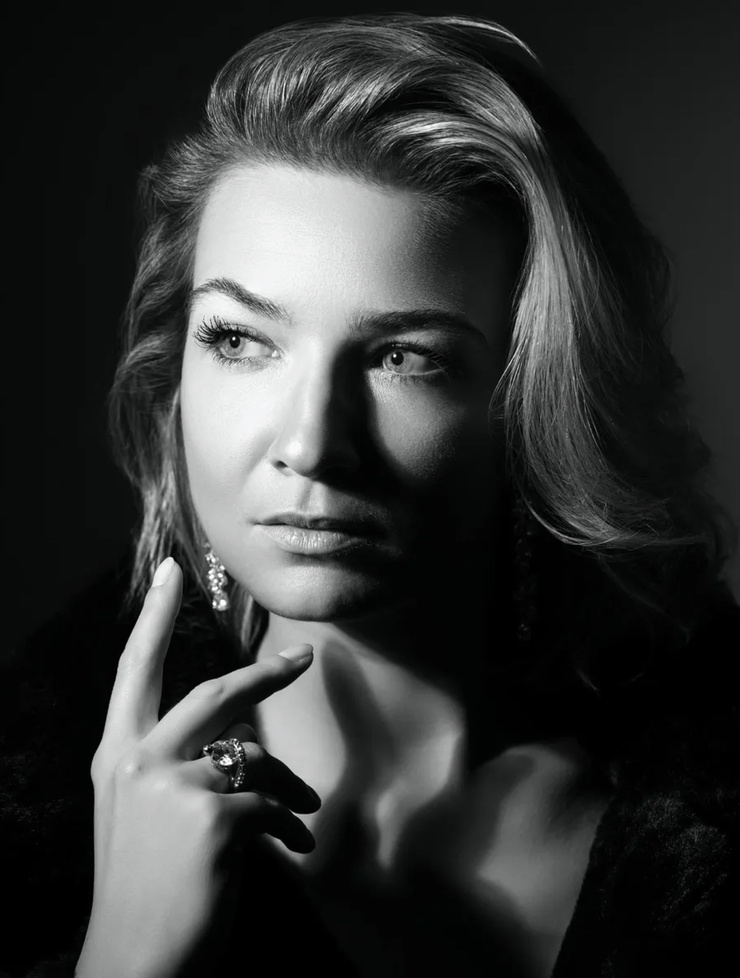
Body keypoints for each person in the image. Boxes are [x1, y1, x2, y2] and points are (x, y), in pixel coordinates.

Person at [2, 11, 738, 978]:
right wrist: (128, 954)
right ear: (172, 369)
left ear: (536, 397)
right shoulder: (28, 810)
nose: (311, 445)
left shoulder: (699, 825)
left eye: (405, 358)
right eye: (240, 340)